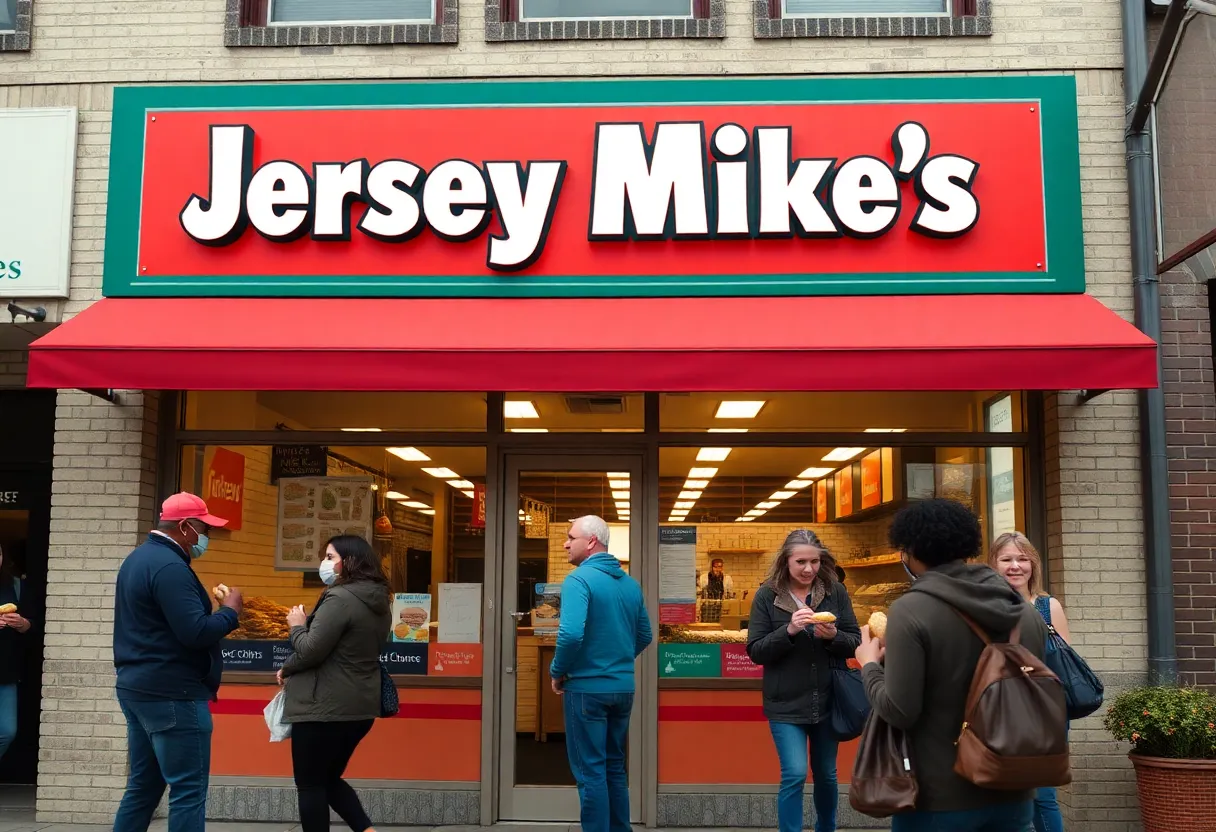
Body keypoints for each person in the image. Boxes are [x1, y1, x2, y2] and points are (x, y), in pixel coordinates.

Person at [854, 499, 1050, 832]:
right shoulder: (1024, 612)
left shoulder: (911, 610)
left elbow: (901, 710)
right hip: (1013, 790)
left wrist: (870, 665)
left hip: (939, 796)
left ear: (911, 551)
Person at [113, 492, 243, 832]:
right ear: (185, 527)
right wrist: (231, 610)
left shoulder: (137, 559)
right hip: (174, 693)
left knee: (143, 787)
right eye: (204, 528)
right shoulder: (171, 567)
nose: (206, 537)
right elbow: (196, 632)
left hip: (136, 687)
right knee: (187, 790)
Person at [746, 529, 861, 832]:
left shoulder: (834, 591)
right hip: (785, 703)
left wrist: (835, 636)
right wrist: (788, 632)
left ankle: (827, 828)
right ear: (786, 561)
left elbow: (854, 640)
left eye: (815, 561)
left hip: (827, 699)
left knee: (826, 773)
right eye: (801, 562)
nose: (809, 569)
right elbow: (756, 651)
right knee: (795, 773)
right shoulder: (767, 596)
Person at [277, 534, 391, 832]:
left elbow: (312, 649)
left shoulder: (340, 598)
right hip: (360, 706)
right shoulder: (378, 599)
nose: (324, 564)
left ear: (349, 562)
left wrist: (297, 626)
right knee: (327, 779)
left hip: (323, 707)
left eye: (330, 557)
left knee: (310, 784)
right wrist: (289, 667)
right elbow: (338, 651)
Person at [549, 515, 652, 832]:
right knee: (613, 768)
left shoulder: (578, 580)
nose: (566, 543)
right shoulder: (630, 584)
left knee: (590, 771)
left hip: (586, 691)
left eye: (570, 537)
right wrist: (618, 661)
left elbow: (569, 635)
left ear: (591, 541)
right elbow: (645, 635)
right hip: (622, 689)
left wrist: (558, 671)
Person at [991, 531, 1071, 832]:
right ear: (993, 564)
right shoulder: (987, 607)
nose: (1015, 566)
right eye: (1006, 559)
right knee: (1001, 796)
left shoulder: (1049, 607)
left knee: (1042, 796)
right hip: (998, 711)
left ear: (1033, 565)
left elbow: (1064, 665)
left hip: (1043, 713)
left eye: (1022, 559)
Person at [0, 542, 32, 766]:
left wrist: (22, 623)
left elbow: (33, 623)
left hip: (6, 671)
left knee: (7, 731)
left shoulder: (15, 585)